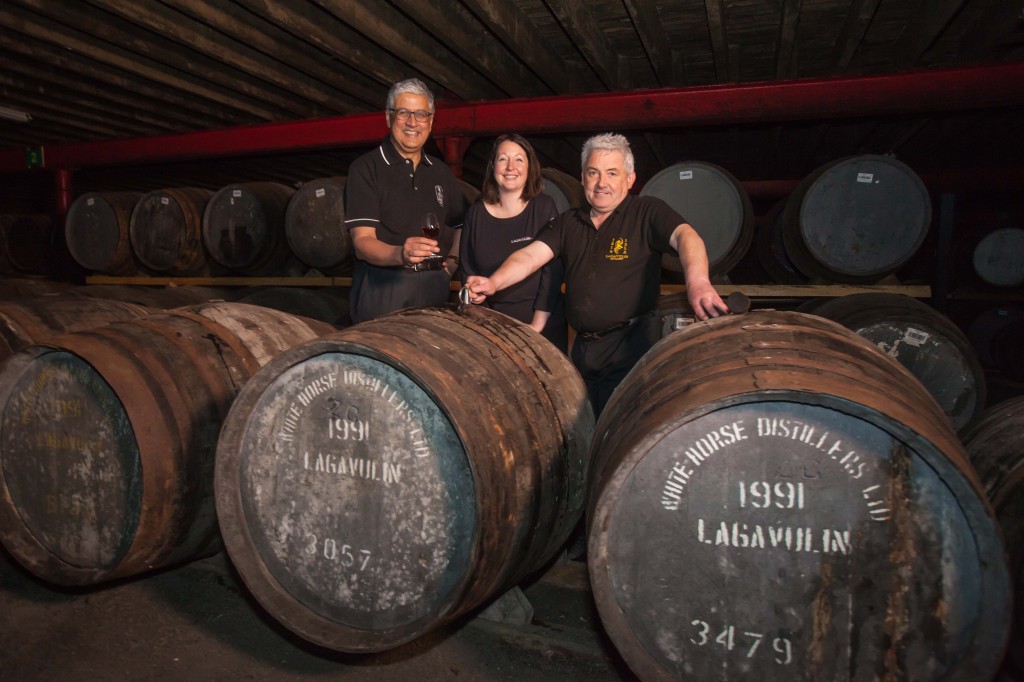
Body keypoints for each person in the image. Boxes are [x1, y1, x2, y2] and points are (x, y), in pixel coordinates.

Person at [465, 133, 729, 417]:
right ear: (582, 178)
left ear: (629, 179)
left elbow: (686, 236)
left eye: (612, 173)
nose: (601, 183)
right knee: (584, 430)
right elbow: (528, 256)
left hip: (632, 347)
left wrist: (698, 282)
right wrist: (493, 282)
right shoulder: (569, 222)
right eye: (594, 173)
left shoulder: (646, 212)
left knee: (623, 434)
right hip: (583, 351)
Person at [344, 78, 467, 323]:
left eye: (421, 114)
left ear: (431, 122)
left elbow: (462, 224)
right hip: (384, 287)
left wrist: (452, 262)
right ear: (389, 118)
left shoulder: (441, 172)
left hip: (434, 288)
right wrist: (401, 253)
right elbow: (363, 242)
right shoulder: (367, 168)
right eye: (403, 113)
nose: (413, 122)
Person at [460, 134, 568, 353]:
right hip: (493, 325)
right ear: (492, 167)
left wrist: (536, 325)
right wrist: (479, 308)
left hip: (541, 322)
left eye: (519, 159)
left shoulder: (543, 207)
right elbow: (467, 268)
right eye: (503, 159)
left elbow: (553, 270)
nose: (511, 167)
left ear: (530, 168)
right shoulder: (476, 213)